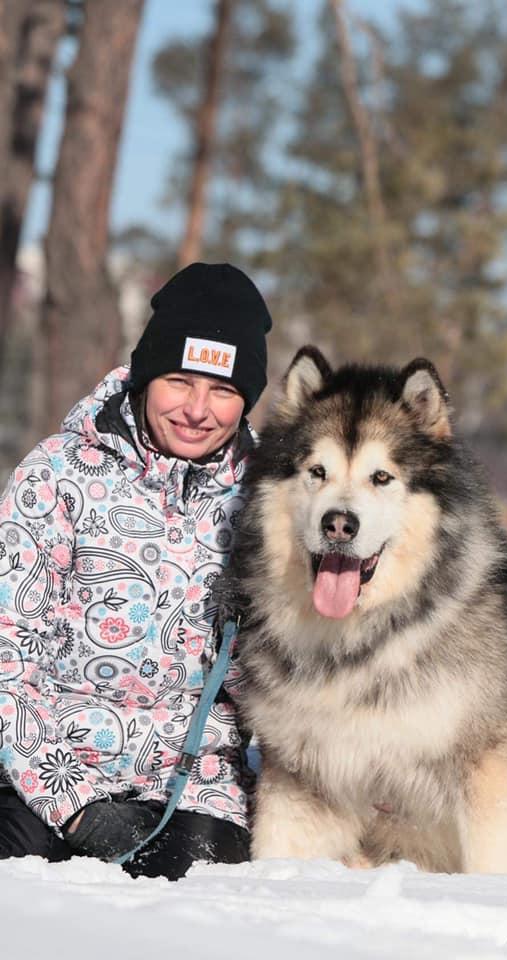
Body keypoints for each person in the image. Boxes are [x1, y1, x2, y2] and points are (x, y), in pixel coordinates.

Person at [0, 262, 271, 879]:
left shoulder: (268, 501)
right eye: (180, 381)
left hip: (195, 782)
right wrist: (72, 806)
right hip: (43, 764)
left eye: (224, 390)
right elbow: (5, 655)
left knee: (197, 902)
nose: (198, 410)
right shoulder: (58, 475)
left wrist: (258, 620)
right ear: (146, 376)